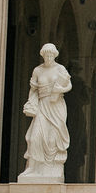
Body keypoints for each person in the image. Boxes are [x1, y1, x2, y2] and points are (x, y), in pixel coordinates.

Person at [17, 43, 73, 183]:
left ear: (54, 55)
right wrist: (31, 102)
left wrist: (60, 89)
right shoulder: (38, 70)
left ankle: (52, 168)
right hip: (43, 104)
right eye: (46, 55)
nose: (48, 58)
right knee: (34, 137)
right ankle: (33, 168)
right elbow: (34, 89)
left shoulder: (60, 69)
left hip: (56, 105)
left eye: (50, 55)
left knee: (51, 138)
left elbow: (68, 85)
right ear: (42, 55)